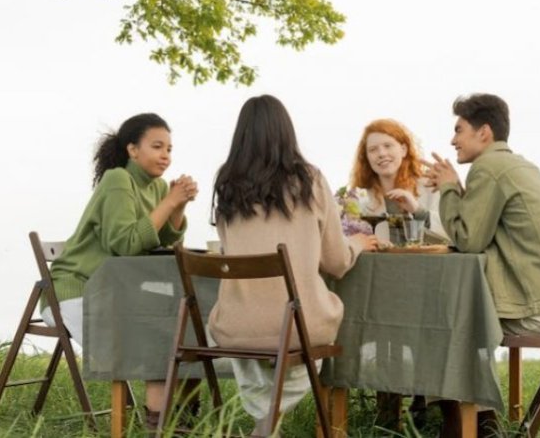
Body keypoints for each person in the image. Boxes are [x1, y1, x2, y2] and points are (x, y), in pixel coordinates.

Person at [209, 95, 378, 433]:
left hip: (235, 327)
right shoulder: (309, 180)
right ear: (287, 133)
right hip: (297, 324)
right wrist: (357, 244)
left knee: (264, 338)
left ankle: (264, 421)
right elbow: (335, 262)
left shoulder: (226, 184)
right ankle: (266, 425)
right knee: (298, 335)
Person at [41, 112, 198, 429]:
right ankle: (162, 425)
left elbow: (164, 240)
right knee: (155, 341)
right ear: (132, 149)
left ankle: (175, 419)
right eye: (157, 146)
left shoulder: (154, 188)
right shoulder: (118, 180)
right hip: (79, 292)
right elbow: (126, 244)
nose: (165, 156)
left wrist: (177, 205)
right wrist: (169, 202)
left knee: (180, 327)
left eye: (169, 148)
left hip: (117, 293)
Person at [423, 93, 540, 338]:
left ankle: (445, 378)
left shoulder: (488, 168)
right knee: (450, 312)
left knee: (438, 316)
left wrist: (448, 189)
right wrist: (456, 188)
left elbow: (468, 240)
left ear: (484, 132)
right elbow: (481, 225)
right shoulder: (516, 165)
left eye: (459, 130)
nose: (452, 140)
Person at [343, 118, 449, 243]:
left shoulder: (430, 186)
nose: (381, 153)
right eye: (373, 150)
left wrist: (417, 210)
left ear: (403, 150)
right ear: (367, 158)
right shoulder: (359, 197)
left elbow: (452, 234)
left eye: (388, 146)